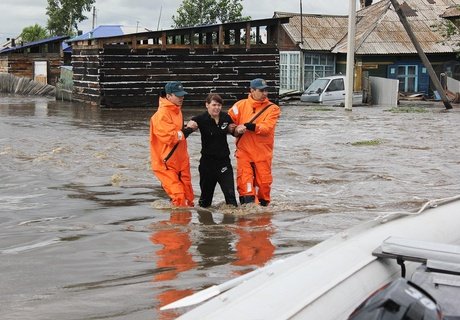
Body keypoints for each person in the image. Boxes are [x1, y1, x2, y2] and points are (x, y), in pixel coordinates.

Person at [228, 78, 281, 206]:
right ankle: (246, 220)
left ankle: (262, 221)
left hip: (263, 155)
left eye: (266, 90)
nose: (265, 93)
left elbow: (267, 128)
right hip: (244, 154)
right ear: (252, 90)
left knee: (264, 188)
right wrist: (235, 129)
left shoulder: (273, 109)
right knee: (246, 189)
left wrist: (249, 126)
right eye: (261, 91)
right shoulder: (239, 106)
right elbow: (228, 122)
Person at [186, 93, 238, 208]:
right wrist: (189, 128)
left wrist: (236, 130)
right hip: (207, 164)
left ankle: (232, 224)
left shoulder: (226, 117)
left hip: (224, 163)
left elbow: (233, 130)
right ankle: (205, 224)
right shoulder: (200, 119)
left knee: (231, 200)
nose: (217, 108)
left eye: (219, 105)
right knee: (205, 202)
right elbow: (190, 125)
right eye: (214, 105)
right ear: (207, 105)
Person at [149, 81, 194, 207]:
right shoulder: (161, 115)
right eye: (178, 95)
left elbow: (177, 132)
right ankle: (174, 226)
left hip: (181, 161)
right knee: (179, 197)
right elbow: (169, 137)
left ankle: (186, 226)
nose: (182, 98)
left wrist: (186, 129)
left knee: (189, 198)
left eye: (182, 95)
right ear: (168, 96)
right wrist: (188, 130)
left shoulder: (177, 111)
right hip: (166, 163)